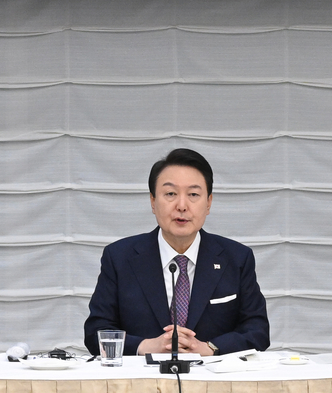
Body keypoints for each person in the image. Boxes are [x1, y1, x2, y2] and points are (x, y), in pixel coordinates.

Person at [85, 147, 269, 359]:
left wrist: (210, 348)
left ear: (208, 203)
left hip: (214, 382)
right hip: (142, 383)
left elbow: (258, 331)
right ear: (153, 201)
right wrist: (145, 346)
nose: (182, 206)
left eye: (193, 194)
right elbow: (95, 333)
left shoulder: (236, 258)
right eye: (170, 194)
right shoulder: (119, 257)